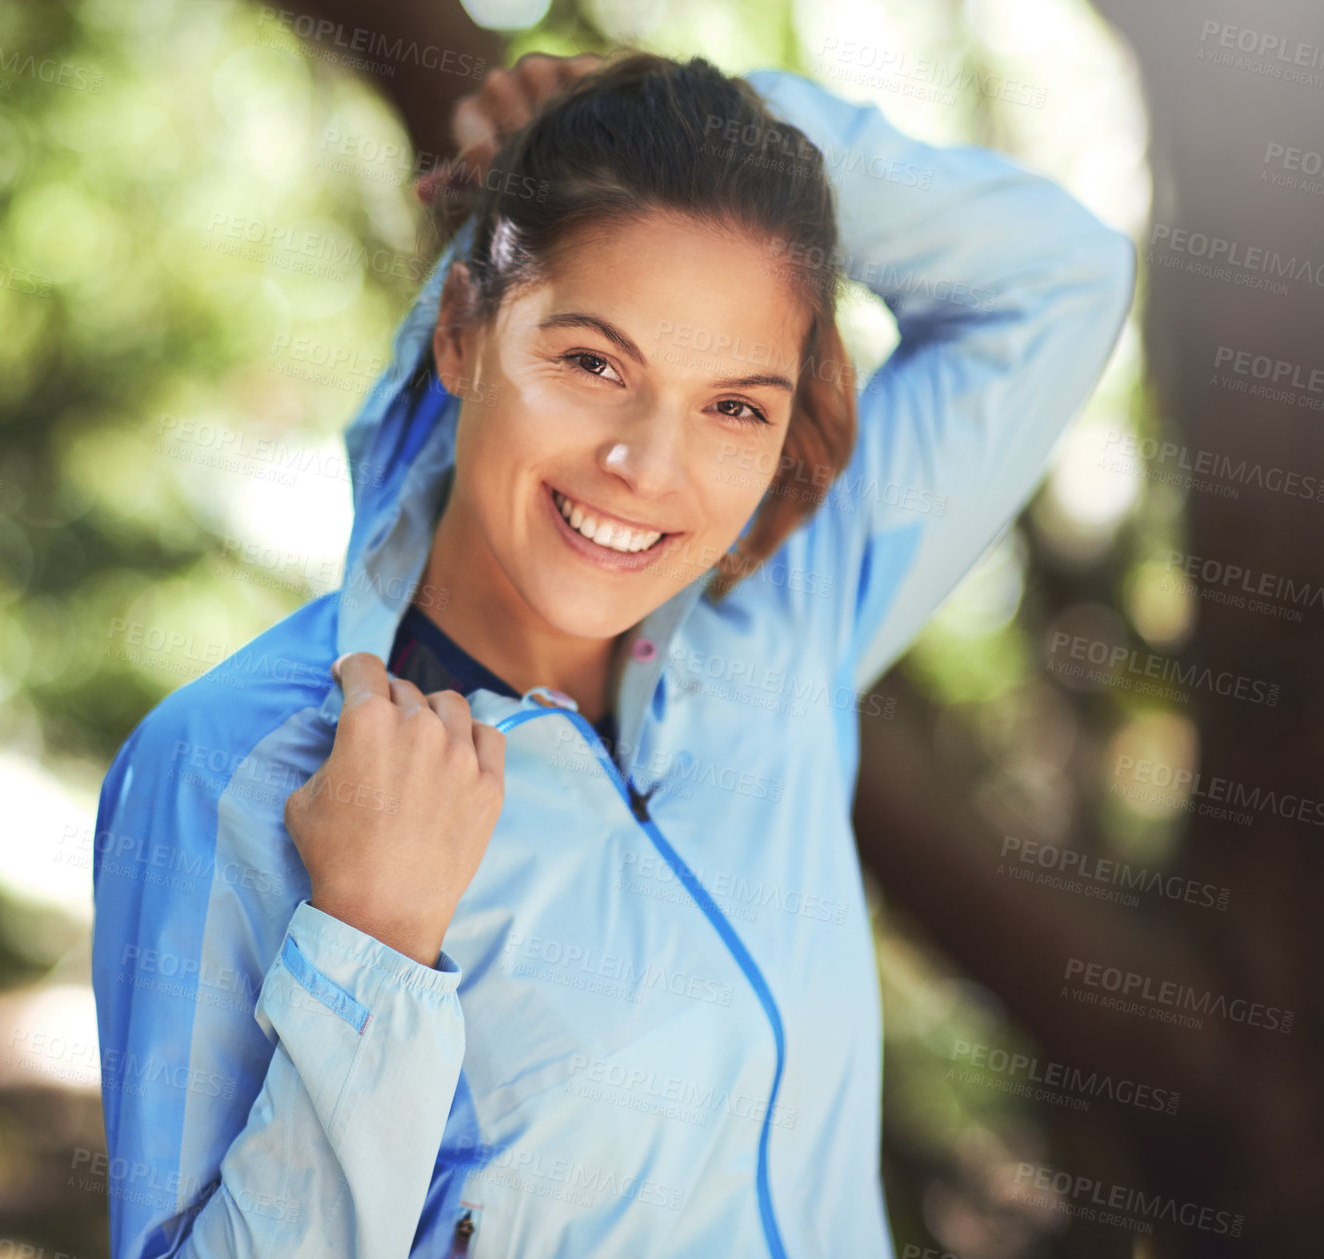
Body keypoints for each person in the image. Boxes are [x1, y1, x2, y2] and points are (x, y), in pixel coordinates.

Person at [90, 49, 1135, 1259]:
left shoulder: (780, 625)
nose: (648, 466)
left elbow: (1060, 277)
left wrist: (726, 122)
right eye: (593, 362)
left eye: (734, 404)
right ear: (461, 332)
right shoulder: (233, 768)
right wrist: (367, 949)